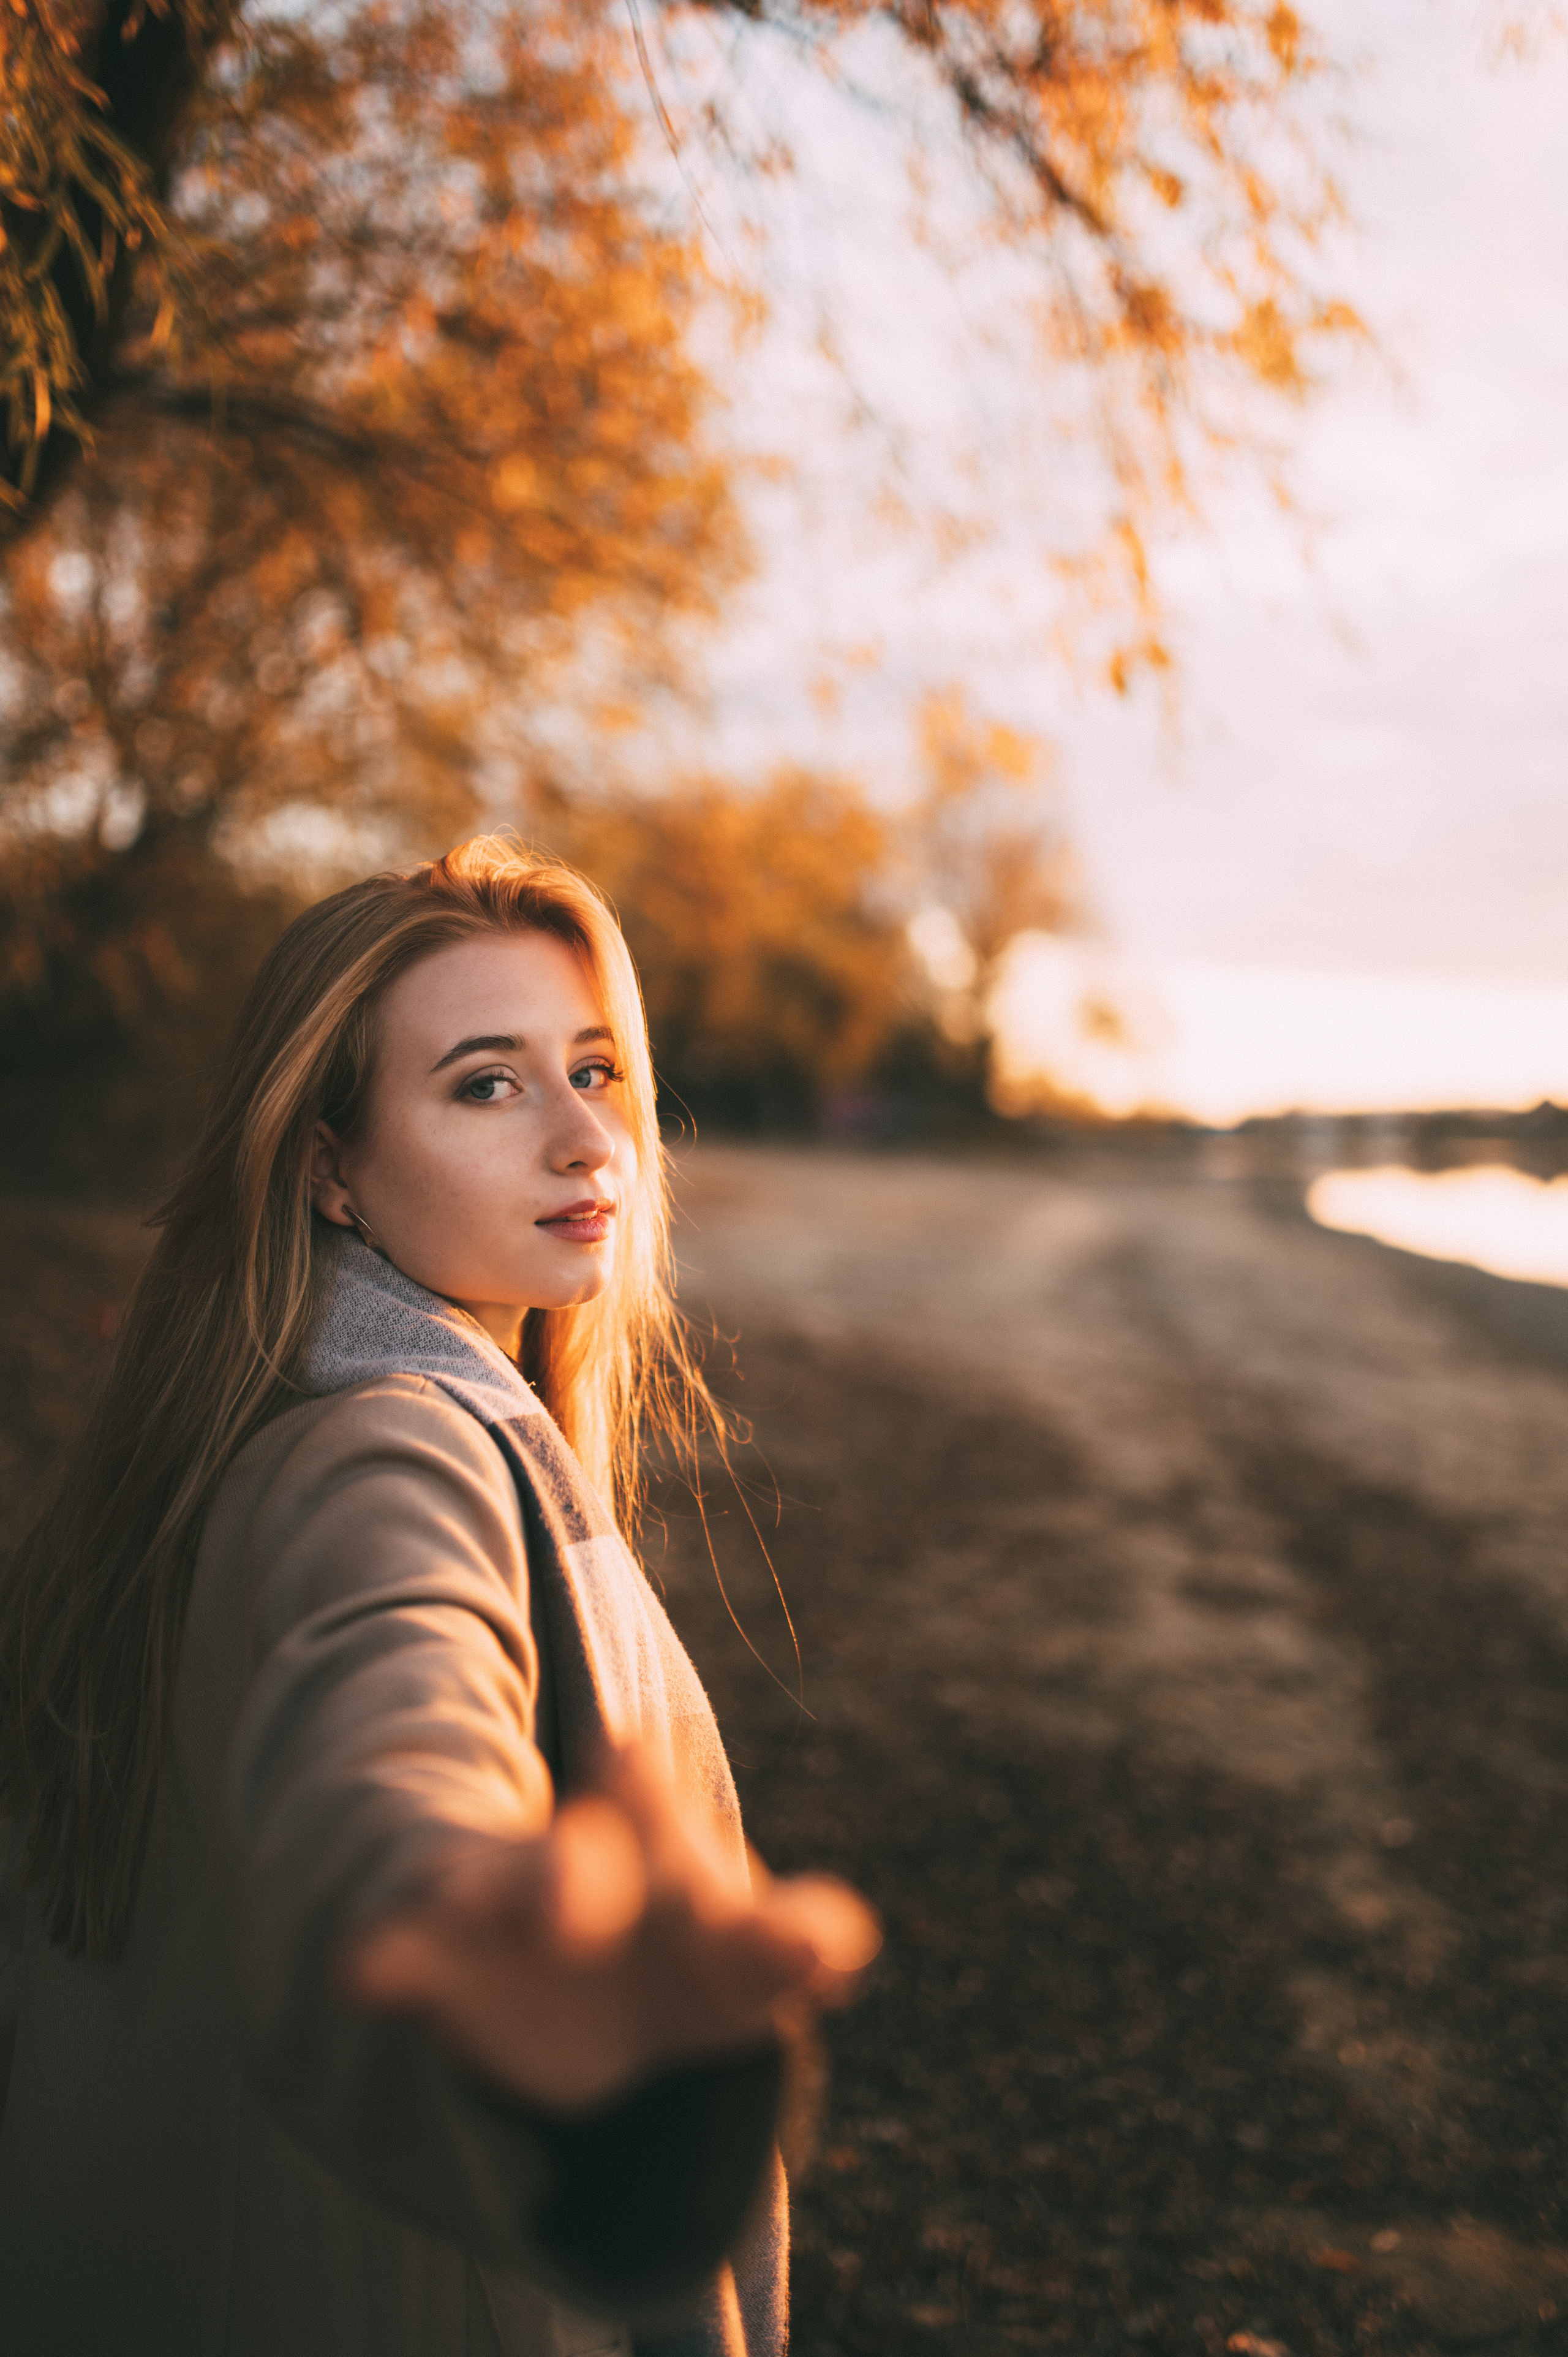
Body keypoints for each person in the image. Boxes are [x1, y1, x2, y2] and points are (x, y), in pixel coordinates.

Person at [0, 838, 878, 2357]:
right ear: (329, 1165)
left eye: (593, 1071)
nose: (583, 1142)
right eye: (485, 1083)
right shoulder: (395, 1449)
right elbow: (388, 1738)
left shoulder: (243, 1427)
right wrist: (481, 1965)